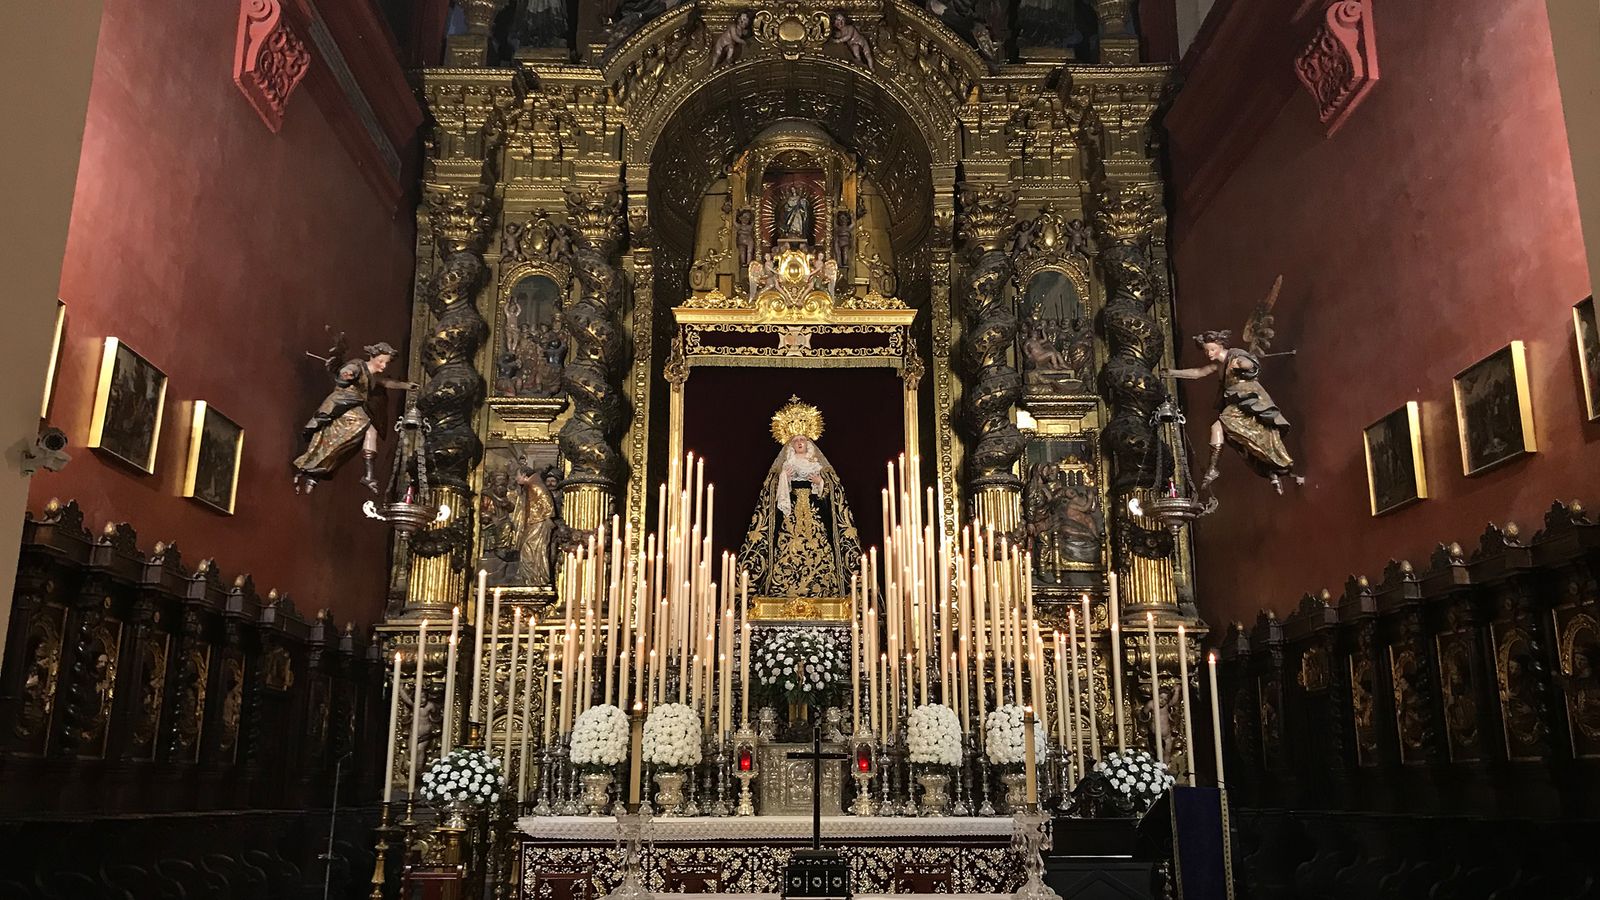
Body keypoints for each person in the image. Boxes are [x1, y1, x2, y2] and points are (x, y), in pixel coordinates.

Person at [737, 397, 862, 599]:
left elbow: (832, 491)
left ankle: (823, 587)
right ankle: (784, 587)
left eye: (802, 439)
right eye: (795, 441)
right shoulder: (786, 464)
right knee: (788, 544)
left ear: (808, 442)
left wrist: (819, 481)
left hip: (813, 510)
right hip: (792, 510)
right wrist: (784, 478)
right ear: (790, 445)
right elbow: (772, 494)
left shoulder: (817, 463)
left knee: (818, 543)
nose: (800, 443)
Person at [1165, 330, 1302, 494]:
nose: (1209, 353)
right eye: (1206, 350)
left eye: (1212, 349)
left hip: (1249, 402)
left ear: (1220, 345)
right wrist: (1172, 373)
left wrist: (1243, 363)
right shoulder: (1218, 364)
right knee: (1231, 435)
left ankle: (1213, 469)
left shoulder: (1235, 355)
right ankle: (1217, 468)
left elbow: (1250, 366)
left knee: (1220, 425)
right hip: (1237, 404)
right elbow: (1198, 372)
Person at [292, 342, 416, 493]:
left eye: (386, 363)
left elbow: (385, 382)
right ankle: (315, 474)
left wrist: (406, 386)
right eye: (381, 361)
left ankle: (369, 476)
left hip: (358, 411)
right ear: (373, 356)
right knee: (335, 443)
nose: (383, 366)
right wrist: (346, 374)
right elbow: (344, 374)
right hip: (343, 407)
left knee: (369, 432)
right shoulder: (357, 366)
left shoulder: (373, 376)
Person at [513, 465, 558, 586]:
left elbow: (546, 500)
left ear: (524, 475)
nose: (516, 478)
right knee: (529, 549)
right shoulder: (530, 485)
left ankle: (537, 578)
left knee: (531, 549)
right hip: (534, 521)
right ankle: (531, 578)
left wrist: (548, 516)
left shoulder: (535, 485)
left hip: (539, 522)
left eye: (517, 475)